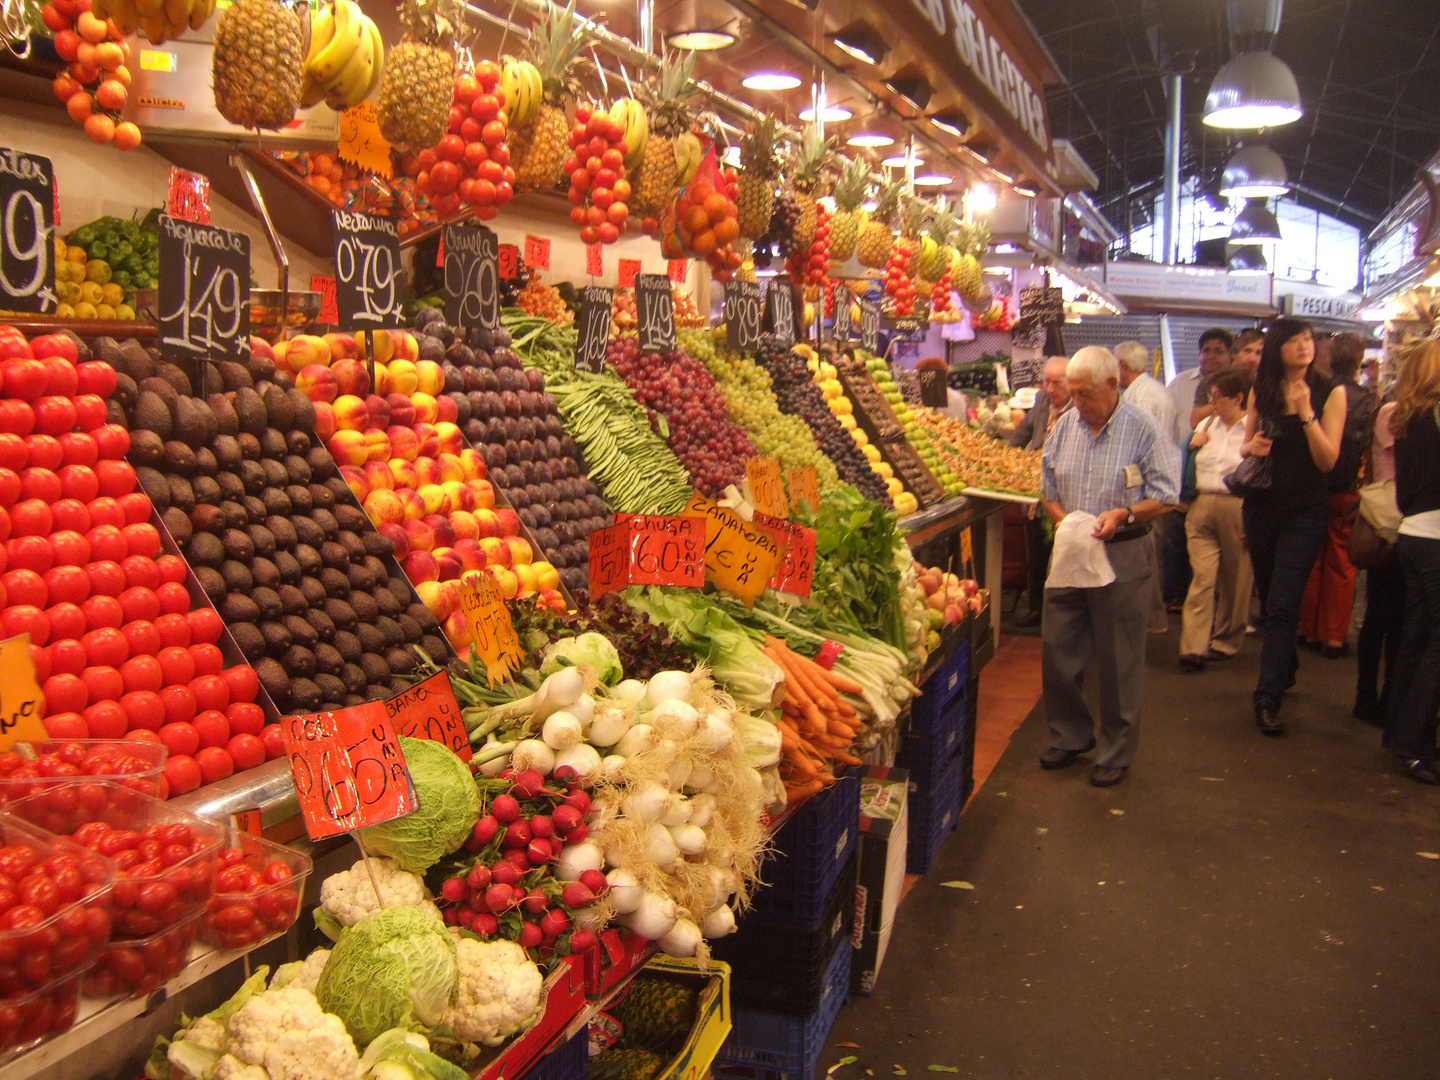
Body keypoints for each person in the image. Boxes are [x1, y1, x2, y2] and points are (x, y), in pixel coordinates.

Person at [1038, 347, 1181, 786]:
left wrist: (1125, 514)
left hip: (1122, 552)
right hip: (1071, 551)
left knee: (1119, 656)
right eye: (1072, 394)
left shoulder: (1144, 430)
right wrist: (1065, 521)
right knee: (1059, 645)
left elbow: (1167, 493)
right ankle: (1071, 734)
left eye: (1085, 394)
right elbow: (1046, 487)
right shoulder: (1064, 428)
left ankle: (1116, 750)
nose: (1077, 403)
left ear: (1113, 385)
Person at [1239, 319, 1347, 736]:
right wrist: (1251, 446)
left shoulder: (1328, 391)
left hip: (1305, 512)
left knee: (1284, 606)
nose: (1305, 347)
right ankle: (1285, 667)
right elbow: (1245, 444)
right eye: (1295, 340)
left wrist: (1306, 415)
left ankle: (1266, 696)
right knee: (1271, 602)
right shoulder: (1261, 389)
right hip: (1261, 507)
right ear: (1278, 347)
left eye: (1309, 340)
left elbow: (1327, 461)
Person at [1382, 340, 1440, 784]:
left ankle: (1399, 734)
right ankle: (1417, 745)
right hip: (1435, 538)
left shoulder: (1404, 416)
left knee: (1417, 638)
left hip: (1413, 534)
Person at [1299, 332, 1377, 656]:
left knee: (1313, 559)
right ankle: (1333, 637)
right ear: (1359, 361)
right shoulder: (1371, 400)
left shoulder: (1322, 392)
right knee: (1342, 563)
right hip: (1349, 489)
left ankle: (1309, 631)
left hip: (1316, 484)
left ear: (1329, 359)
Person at [1178, 368, 1254, 670]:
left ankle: (1225, 639)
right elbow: (1185, 457)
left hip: (1238, 505)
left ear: (1238, 399)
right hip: (1202, 504)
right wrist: (1192, 444)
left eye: (1217, 398)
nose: (1211, 403)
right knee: (1202, 577)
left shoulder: (1254, 429)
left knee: (1236, 579)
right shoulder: (1207, 425)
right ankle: (1193, 647)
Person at [1164, 329, 1234, 611]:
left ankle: (1206, 599)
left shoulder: (1238, 386)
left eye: (1218, 350)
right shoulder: (1180, 383)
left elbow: (1197, 419)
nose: (1211, 356)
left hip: (1217, 479)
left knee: (1208, 548)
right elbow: (1172, 425)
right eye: (1206, 350)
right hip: (1182, 470)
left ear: (1229, 356)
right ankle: (1175, 595)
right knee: (1176, 541)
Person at [1115, 340, 1177, 634]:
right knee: (1152, 554)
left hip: (1148, 488)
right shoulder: (1156, 390)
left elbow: (1137, 447)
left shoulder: (1139, 398)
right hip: (1157, 483)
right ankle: (1150, 619)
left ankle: (1149, 621)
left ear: (1122, 366)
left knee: (1145, 554)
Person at [1010, 357, 1072, 628]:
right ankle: (1036, 607)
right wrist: (1009, 459)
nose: (1049, 388)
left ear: (1072, 383)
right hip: (1036, 493)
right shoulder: (1042, 402)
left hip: (1064, 494)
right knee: (1036, 552)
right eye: (1046, 382)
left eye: (1056, 383)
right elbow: (1020, 436)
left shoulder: (1080, 409)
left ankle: (1062, 614)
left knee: (1063, 555)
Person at [1354, 398, 1403, 726]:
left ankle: (1389, 697)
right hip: (1387, 521)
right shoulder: (1394, 413)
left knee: (1397, 619)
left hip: (1407, 520)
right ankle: (1367, 696)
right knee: (1381, 616)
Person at [1191, 328, 1264, 429]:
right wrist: (1223, 401)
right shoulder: (1212, 381)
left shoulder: (1263, 384)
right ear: (1233, 353)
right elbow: (1195, 421)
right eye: (1247, 351)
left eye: (1258, 353)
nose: (1252, 359)